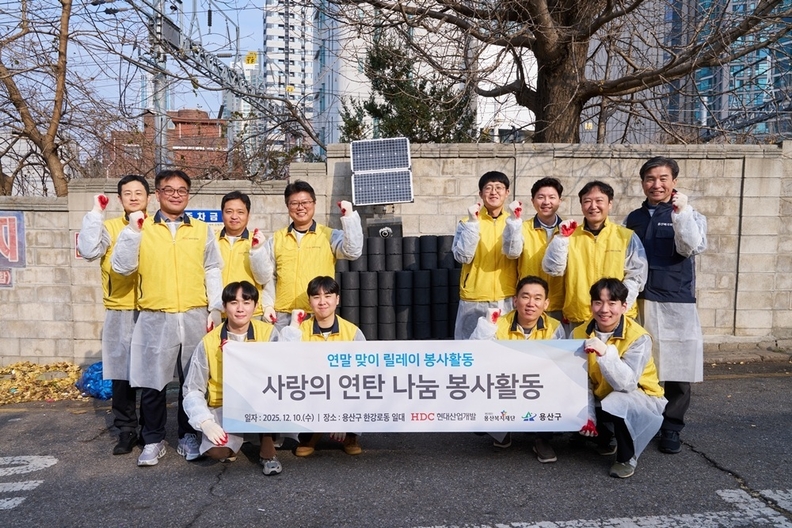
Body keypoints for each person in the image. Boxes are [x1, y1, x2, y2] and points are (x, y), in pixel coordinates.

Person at [112, 169, 224, 467]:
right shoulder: (142, 226)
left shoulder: (201, 230)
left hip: (194, 313)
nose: (176, 195)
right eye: (169, 189)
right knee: (153, 383)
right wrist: (133, 232)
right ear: (157, 194)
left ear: (188, 194)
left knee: (193, 380)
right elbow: (122, 267)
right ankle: (153, 439)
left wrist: (215, 308)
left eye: (182, 190)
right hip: (155, 315)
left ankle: (188, 435)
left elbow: (213, 268)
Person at [624, 157, 707, 455]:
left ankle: (672, 426)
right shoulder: (634, 218)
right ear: (642, 182)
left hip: (675, 300)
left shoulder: (689, 213)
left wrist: (681, 214)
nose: (656, 184)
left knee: (677, 367)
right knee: (641, 363)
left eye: (663, 178)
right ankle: (644, 419)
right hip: (640, 300)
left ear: (674, 182)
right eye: (650, 178)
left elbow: (692, 246)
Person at [77, 174, 151, 455]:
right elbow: (88, 251)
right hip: (120, 307)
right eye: (127, 193)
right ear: (119, 199)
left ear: (148, 197)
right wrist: (96, 214)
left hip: (152, 307)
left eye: (139, 192)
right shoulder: (109, 227)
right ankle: (126, 429)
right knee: (122, 375)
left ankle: (151, 431)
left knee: (151, 375)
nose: (133, 197)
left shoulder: (156, 227)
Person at [183, 281, 283, 475]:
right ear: (224, 306)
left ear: (255, 306)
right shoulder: (209, 341)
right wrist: (205, 422)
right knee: (217, 451)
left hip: (260, 402)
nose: (240, 309)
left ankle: (268, 450)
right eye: (233, 302)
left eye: (246, 302)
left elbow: (283, 371)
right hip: (224, 405)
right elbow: (192, 388)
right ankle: (234, 441)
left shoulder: (268, 333)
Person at [573, 278, 667, 479]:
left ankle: (626, 457)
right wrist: (588, 415)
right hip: (601, 394)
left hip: (640, 397)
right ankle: (605, 437)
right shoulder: (578, 333)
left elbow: (627, 384)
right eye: (598, 302)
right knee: (568, 391)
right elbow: (580, 380)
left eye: (612, 303)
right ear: (591, 305)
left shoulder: (638, 337)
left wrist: (605, 353)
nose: (604, 309)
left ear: (624, 306)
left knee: (618, 401)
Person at [470, 275, 565, 461]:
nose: (531, 303)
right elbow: (476, 355)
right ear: (515, 300)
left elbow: (559, 366)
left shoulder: (554, 327)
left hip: (537, 384)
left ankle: (542, 439)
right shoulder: (498, 324)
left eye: (537, 298)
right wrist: (485, 328)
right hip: (506, 383)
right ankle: (501, 431)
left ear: (546, 303)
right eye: (525, 296)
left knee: (555, 387)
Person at [542, 180, 647, 331]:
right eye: (587, 201)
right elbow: (553, 269)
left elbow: (636, 277)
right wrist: (561, 239)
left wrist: (617, 307)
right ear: (581, 205)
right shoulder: (569, 235)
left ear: (610, 204)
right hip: (579, 316)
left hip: (617, 318)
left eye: (599, 201)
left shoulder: (625, 236)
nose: (593, 206)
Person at [280, 275, 365, 456]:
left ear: (337, 299)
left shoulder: (352, 332)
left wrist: (342, 417)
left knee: (363, 387)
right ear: (309, 301)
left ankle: (351, 434)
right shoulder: (300, 330)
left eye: (328, 296)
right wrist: (293, 326)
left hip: (343, 390)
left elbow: (362, 373)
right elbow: (285, 361)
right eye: (316, 297)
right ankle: (310, 433)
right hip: (312, 390)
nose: (322, 302)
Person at [262, 180, 363, 329]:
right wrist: (268, 305)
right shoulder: (276, 239)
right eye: (294, 203)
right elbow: (269, 276)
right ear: (288, 206)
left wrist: (349, 217)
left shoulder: (328, 235)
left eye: (305, 202)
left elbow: (353, 251)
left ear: (314, 203)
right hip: (283, 316)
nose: (300, 207)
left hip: (318, 315)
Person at [452, 171, 519, 339]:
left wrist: (514, 223)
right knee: (470, 346)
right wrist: (473, 224)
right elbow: (462, 257)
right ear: (481, 194)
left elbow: (515, 253)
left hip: (506, 296)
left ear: (507, 192)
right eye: (488, 188)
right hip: (474, 297)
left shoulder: (514, 222)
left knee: (504, 346)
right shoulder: (466, 222)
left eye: (499, 188)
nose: (493, 192)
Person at [502, 177, 566, 322]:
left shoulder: (570, 231)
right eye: (541, 197)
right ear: (532, 201)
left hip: (560, 304)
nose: (546, 202)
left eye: (552, 197)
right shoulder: (522, 228)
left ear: (559, 201)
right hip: (529, 304)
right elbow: (511, 253)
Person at [216, 191, 271, 321]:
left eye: (240, 212)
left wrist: (257, 250)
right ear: (222, 214)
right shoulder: (212, 241)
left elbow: (265, 278)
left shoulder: (258, 241)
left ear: (248, 215)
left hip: (250, 313)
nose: (234, 216)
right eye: (229, 212)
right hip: (219, 312)